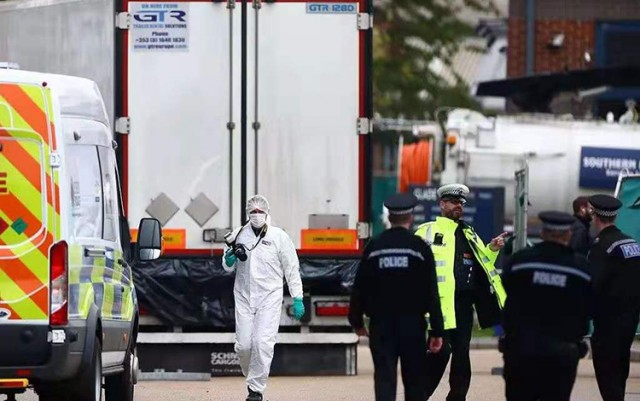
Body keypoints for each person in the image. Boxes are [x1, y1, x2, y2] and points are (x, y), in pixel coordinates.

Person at [414, 183, 507, 401]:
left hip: (464, 303)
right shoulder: (426, 231)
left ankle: (457, 398)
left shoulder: (469, 233)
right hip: (439, 304)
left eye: (461, 203)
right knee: (439, 352)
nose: (459, 206)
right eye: (454, 202)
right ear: (442, 204)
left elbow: (482, 264)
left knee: (462, 355)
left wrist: (492, 249)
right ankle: (418, 395)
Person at [348, 193, 444, 401]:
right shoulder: (420, 248)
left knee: (384, 378)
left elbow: (360, 288)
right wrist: (437, 331)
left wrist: (356, 322)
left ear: (389, 218)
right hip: (413, 326)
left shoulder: (374, 247)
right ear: (410, 218)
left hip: (381, 326)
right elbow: (432, 292)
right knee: (415, 380)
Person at [500, 211, 592, 401]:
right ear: (568, 235)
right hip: (562, 353)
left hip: (521, 349)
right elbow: (589, 306)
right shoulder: (581, 268)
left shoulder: (520, 261)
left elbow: (507, 287)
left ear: (542, 233)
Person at [222, 195, 305, 401]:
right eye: (253, 211)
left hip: (269, 297)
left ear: (267, 213)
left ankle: (255, 390)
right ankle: (252, 375)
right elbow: (226, 265)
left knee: (262, 343)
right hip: (244, 296)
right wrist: (228, 259)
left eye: (260, 211)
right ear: (247, 213)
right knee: (243, 346)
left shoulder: (279, 237)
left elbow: (291, 268)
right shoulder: (238, 235)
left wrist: (297, 297)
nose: (256, 215)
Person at [587, 194, 640, 401]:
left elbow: (594, 285)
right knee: (619, 374)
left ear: (595, 216)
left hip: (607, 323)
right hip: (629, 320)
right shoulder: (631, 243)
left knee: (608, 378)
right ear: (615, 216)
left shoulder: (602, 247)